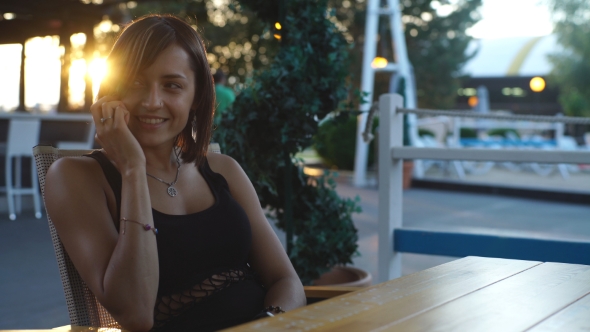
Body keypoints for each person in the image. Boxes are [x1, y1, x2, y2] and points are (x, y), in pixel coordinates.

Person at [44, 14, 306, 332]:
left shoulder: (223, 170)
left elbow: (285, 279)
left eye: (172, 85)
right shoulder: (75, 178)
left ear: (196, 96)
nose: (153, 101)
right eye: (136, 82)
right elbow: (135, 315)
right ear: (112, 92)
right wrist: (133, 169)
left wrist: (267, 325)